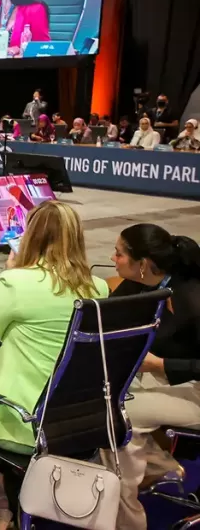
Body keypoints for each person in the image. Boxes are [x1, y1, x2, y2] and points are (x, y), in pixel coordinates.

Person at [0, 201, 109, 522]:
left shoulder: (15, 283)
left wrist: (10, 272)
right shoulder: (98, 288)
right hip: (77, 420)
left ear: (31, 236)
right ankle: (0, 497)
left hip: (23, 422)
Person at [105, 224, 200, 530]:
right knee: (103, 392)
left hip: (194, 388)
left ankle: (127, 519)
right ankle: (155, 465)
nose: (112, 258)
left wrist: (161, 365)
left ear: (143, 263)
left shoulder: (193, 298)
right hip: (175, 381)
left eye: (119, 254)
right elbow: (107, 318)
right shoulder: (138, 284)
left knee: (119, 416)